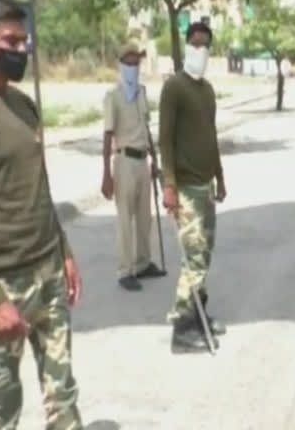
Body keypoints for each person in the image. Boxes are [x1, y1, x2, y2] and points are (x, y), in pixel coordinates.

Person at [0, 0, 83, 429]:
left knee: (63, 395)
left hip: (46, 272)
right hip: (4, 286)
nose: (20, 50)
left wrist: (63, 251)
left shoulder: (23, 107)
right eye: (10, 40)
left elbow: (39, 188)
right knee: (1, 408)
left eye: (24, 41)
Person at [159, 21, 227, 354]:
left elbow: (211, 137)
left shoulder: (207, 90)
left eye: (206, 46)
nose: (200, 50)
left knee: (204, 254)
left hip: (205, 185)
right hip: (184, 187)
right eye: (195, 44)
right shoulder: (174, 87)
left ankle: (199, 314)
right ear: (187, 46)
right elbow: (165, 141)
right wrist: (168, 185)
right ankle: (182, 328)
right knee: (193, 258)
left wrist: (221, 176)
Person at [101, 41, 166, 291]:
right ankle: (125, 270)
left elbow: (146, 126)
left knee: (144, 216)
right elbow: (108, 134)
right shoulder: (113, 96)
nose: (133, 67)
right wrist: (106, 173)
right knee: (125, 218)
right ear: (121, 65)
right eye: (128, 62)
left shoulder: (141, 92)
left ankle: (142, 263)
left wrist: (155, 158)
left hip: (142, 160)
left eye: (136, 62)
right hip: (124, 160)